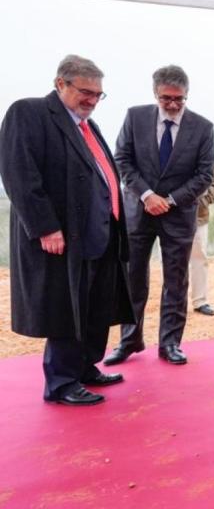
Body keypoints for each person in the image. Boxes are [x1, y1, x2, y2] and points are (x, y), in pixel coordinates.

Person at [0, 54, 133, 405]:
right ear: (61, 83)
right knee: (65, 310)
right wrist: (45, 227)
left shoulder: (89, 126)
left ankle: (85, 367)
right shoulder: (29, 113)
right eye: (85, 92)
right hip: (63, 237)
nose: (92, 100)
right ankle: (61, 383)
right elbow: (19, 174)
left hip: (99, 234)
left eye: (98, 94)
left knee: (95, 307)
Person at [105, 65, 214, 366]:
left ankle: (170, 344)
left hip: (179, 215)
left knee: (176, 282)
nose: (173, 104)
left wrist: (169, 200)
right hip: (138, 213)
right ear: (155, 93)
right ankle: (129, 341)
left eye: (180, 99)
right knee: (133, 279)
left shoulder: (203, 127)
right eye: (166, 98)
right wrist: (147, 195)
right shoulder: (135, 117)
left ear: (187, 94)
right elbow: (122, 159)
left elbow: (204, 175)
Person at [190, 161, 214, 316]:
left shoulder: (203, 148)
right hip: (169, 213)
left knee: (199, 257)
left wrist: (207, 198)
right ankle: (174, 302)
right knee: (170, 260)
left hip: (198, 213)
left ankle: (200, 301)